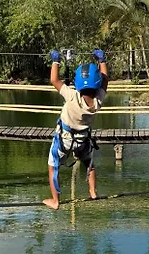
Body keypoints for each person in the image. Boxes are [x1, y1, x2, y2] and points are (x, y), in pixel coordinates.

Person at [43, 48, 108, 210]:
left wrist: (56, 61)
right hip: (83, 140)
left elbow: (54, 80)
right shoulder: (98, 100)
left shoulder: (72, 96)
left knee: (53, 166)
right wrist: (102, 60)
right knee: (89, 163)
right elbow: (105, 80)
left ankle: (55, 201)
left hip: (64, 140)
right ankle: (93, 192)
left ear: (77, 83)